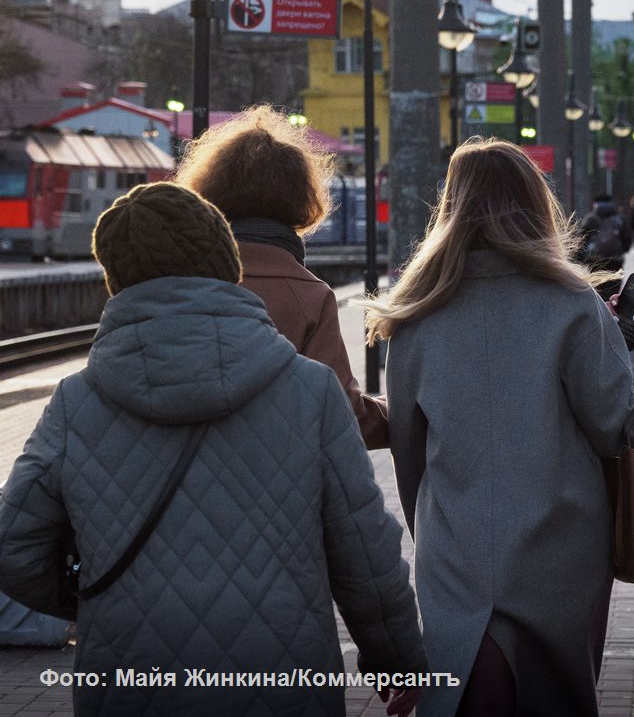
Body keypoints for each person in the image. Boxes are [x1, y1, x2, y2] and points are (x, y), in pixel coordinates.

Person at [0, 183, 426, 716]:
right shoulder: (309, 391)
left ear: (116, 278)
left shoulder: (75, 402)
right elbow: (365, 551)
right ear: (225, 261)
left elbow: (12, 544)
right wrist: (398, 659)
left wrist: (92, 600)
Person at [364, 138, 634, 717]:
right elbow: (616, 425)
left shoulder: (413, 317)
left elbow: (409, 457)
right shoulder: (572, 306)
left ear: (449, 208)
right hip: (562, 545)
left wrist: (434, 529)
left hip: (455, 546)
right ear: (535, 205)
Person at [176, 105, 389, 449]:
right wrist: (399, 417)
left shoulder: (176, 281)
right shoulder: (308, 296)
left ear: (207, 191)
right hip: (273, 488)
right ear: (301, 199)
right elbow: (340, 415)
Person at [579, 193, 633, 301]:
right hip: (615, 259)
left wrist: (581, 258)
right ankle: (611, 310)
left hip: (595, 259)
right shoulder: (620, 218)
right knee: (613, 286)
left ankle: (600, 312)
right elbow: (627, 238)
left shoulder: (591, 218)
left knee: (597, 288)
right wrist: (621, 250)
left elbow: (582, 239)